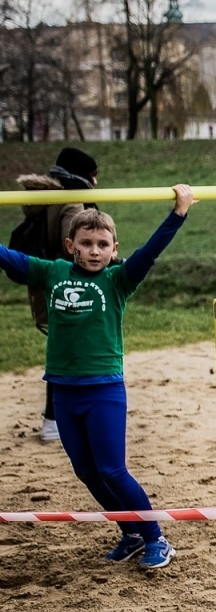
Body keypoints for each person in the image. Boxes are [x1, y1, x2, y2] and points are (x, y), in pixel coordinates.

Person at [0, 184, 194, 571]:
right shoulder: (51, 272)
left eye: (102, 244)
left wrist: (179, 213)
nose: (94, 251)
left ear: (114, 249)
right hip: (63, 390)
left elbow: (151, 251)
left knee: (111, 469)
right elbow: (7, 258)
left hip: (104, 389)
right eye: (86, 243)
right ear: (71, 245)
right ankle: (132, 533)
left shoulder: (118, 280)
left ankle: (156, 537)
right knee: (86, 472)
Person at [12, 146, 100, 442]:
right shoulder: (72, 203)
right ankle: (54, 419)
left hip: (47, 285)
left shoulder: (44, 200)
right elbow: (73, 247)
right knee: (72, 354)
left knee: (63, 350)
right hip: (69, 287)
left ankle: (56, 418)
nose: (96, 183)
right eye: (92, 176)